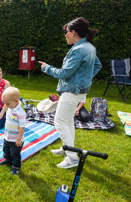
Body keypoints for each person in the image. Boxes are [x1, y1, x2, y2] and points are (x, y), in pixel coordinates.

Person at [39, 17, 102, 169]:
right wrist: (84, 80)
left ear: (73, 32)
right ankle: (68, 148)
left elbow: (64, 73)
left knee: (59, 121)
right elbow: (98, 65)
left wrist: (46, 68)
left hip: (71, 92)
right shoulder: (89, 47)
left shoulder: (79, 50)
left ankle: (72, 158)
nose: (65, 35)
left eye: (66, 32)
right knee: (67, 121)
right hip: (80, 91)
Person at [0, 87, 26, 175]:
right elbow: (7, 107)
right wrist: (2, 113)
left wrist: (19, 139)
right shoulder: (11, 107)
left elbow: (22, 127)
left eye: (7, 103)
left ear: (16, 101)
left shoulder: (20, 113)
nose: (6, 105)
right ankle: (7, 159)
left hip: (15, 139)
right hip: (7, 136)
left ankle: (16, 167)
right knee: (6, 149)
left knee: (15, 153)